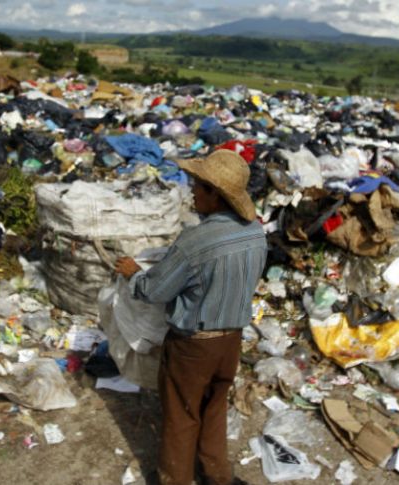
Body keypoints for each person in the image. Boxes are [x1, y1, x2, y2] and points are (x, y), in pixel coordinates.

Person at [115, 149, 267, 485]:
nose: (192, 192)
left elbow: (154, 291)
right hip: (230, 341)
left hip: (193, 346)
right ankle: (216, 475)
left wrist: (133, 273)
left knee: (182, 415)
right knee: (214, 409)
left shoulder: (195, 241)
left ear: (216, 195)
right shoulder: (254, 232)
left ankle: (176, 478)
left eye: (198, 186)